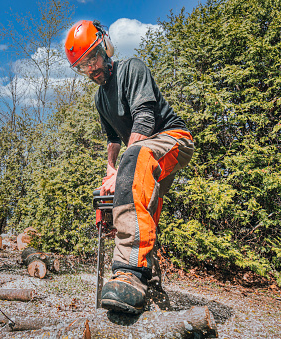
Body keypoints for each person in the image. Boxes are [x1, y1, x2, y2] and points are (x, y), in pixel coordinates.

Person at [65, 20, 195, 314]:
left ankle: (128, 271)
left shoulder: (131, 69)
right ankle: (152, 288)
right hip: (145, 155)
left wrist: (124, 166)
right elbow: (113, 139)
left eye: (93, 59)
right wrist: (111, 171)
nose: (91, 69)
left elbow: (145, 121)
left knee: (133, 160)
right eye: (83, 66)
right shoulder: (100, 99)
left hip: (173, 140)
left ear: (105, 47)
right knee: (144, 209)